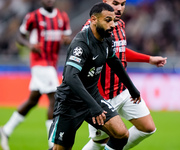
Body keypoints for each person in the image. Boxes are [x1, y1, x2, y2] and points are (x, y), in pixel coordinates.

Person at [48, 2, 142, 150]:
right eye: (107, 20)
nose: (112, 25)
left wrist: (132, 88)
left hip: (93, 97)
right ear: (94, 19)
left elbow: (115, 62)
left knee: (121, 134)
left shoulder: (106, 39)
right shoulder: (81, 44)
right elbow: (71, 77)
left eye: (113, 20)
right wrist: (93, 106)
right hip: (70, 103)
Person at [82, 0, 167, 150]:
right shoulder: (92, 27)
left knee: (147, 127)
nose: (119, 8)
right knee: (100, 142)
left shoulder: (119, 24)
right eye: (115, 3)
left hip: (122, 89)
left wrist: (149, 59)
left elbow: (119, 51)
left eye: (123, 4)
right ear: (105, 2)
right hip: (102, 96)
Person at [0, 0, 72, 149]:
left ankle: (5, 130)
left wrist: (66, 40)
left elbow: (67, 38)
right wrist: (30, 45)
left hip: (52, 64)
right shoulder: (33, 17)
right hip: (40, 63)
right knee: (55, 99)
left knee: (33, 100)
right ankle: (52, 144)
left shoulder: (62, 17)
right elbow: (19, 36)